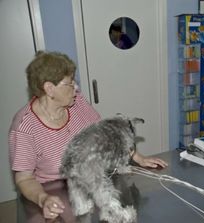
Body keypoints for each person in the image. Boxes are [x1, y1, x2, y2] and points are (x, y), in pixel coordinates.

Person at [8, 51, 168, 222]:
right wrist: (43, 198)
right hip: (55, 194)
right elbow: (24, 178)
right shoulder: (25, 127)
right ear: (49, 88)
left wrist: (137, 157)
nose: (76, 88)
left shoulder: (77, 103)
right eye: (70, 84)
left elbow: (106, 135)